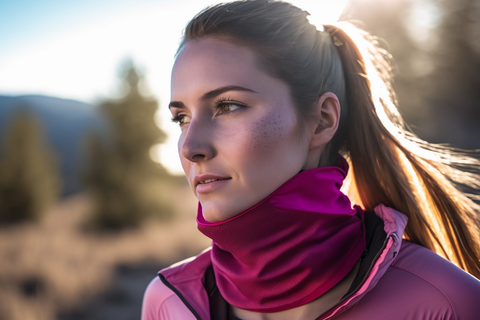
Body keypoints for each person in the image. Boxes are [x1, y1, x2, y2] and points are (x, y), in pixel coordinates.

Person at [142, 1, 480, 319]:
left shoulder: (446, 301)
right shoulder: (167, 304)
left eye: (227, 106)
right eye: (181, 118)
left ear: (321, 120)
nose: (190, 147)